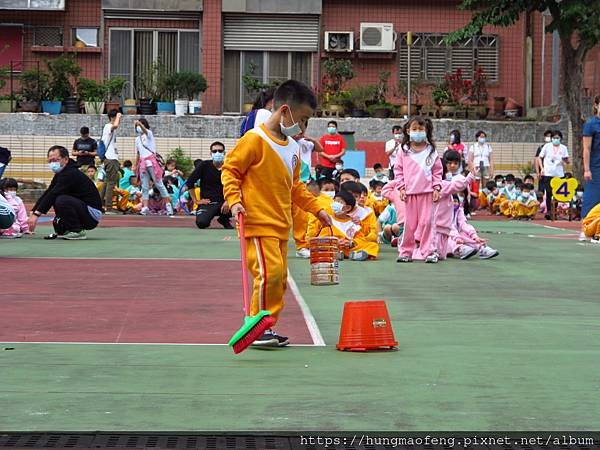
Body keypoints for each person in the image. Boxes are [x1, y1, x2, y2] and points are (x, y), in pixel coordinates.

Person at [222, 79, 331, 347]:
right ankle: (255, 324)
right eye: (302, 120)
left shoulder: (293, 149)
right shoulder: (254, 139)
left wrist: (317, 209)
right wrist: (234, 200)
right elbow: (230, 170)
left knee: (279, 279)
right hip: (257, 223)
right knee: (268, 274)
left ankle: (266, 325)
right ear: (284, 111)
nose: (304, 129)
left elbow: (297, 189)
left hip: (282, 225)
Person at [394, 116, 443, 263]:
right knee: (409, 225)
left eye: (421, 129)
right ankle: (406, 252)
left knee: (427, 223)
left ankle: (429, 252)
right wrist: (401, 188)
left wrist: (436, 187)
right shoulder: (403, 150)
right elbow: (398, 170)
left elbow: (437, 171)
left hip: (427, 193)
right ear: (408, 131)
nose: (417, 132)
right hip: (409, 194)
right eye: (414, 129)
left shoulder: (431, 151)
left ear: (427, 131)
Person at [28, 146, 102, 240]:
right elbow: (49, 191)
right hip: (82, 208)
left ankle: (77, 231)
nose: (52, 163)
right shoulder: (61, 173)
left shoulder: (70, 173)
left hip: (91, 214)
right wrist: (33, 211)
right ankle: (68, 229)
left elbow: (53, 194)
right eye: (50, 161)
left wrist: (36, 215)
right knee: (59, 227)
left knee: (61, 199)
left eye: (55, 160)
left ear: (66, 159)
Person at [307, 189, 378, 261]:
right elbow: (318, 235)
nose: (335, 204)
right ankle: (336, 253)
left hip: (347, 248)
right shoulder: (326, 217)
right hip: (330, 245)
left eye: (339, 202)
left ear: (348, 208)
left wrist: (351, 243)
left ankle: (354, 255)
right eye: (335, 201)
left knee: (372, 246)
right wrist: (335, 242)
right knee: (318, 246)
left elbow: (360, 238)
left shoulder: (353, 222)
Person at [183, 141, 232, 229]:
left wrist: (228, 200)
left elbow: (237, 185)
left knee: (244, 206)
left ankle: (224, 219)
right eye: (214, 151)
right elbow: (190, 182)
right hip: (208, 202)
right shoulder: (204, 165)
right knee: (201, 223)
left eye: (220, 151)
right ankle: (208, 215)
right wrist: (196, 201)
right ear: (210, 153)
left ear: (224, 153)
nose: (217, 153)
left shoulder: (230, 166)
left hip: (226, 202)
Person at [133, 119, 173, 216]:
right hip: (142, 164)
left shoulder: (149, 134)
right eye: (138, 125)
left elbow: (145, 131)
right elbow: (138, 153)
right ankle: (145, 207)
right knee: (145, 186)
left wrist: (139, 124)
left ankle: (168, 206)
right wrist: (136, 165)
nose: (139, 127)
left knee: (159, 184)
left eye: (142, 124)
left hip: (151, 163)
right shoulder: (137, 139)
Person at [538, 129, 570, 219]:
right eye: (554, 138)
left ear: (560, 139)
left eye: (558, 138)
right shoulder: (547, 146)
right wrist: (542, 168)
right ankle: (548, 211)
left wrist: (566, 160)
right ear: (551, 138)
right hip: (548, 173)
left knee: (557, 194)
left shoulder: (564, 148)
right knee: (549, 193)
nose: (556, 139)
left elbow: (567, 160)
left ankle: (555, 211)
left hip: (559, 173)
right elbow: (540, 157)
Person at [581, 95, 600, 234]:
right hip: (595, 167)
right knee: (593, 197)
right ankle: (587, 226)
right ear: (596, 105)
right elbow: (586, 148)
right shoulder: (591, 124)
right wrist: (587, 169)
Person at [100, 110, 122, 213]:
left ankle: (99, 204)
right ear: (113, 117)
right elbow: (115, 125)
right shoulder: (108, 126)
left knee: (107, 182)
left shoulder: (107, 128)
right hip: (110, 158)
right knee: (111, 183)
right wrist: (118, 115)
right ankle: (108, 207)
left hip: (110, 158)